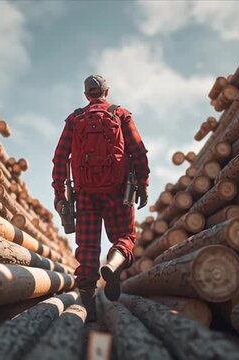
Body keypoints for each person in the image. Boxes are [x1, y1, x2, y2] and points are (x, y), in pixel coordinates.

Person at [51, 75, 149, 321]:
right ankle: (113, 265)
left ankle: (89, 309)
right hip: (118, 191)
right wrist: (143, 185)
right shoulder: (121, 114)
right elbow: (138, 151)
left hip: (85, 195)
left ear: (86, 95)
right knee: (125, 237)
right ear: (107, 91)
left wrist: (59, 193)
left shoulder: (74, 119)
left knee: (87, 247)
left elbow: (60, 157)